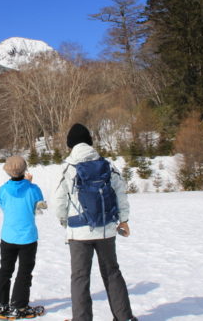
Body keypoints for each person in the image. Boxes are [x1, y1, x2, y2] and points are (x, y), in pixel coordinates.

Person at [53, 123, 137, 321]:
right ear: (90, 142)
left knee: (80, 277)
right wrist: (123, 220)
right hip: (106, 229)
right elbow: (120, 193)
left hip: (78, 232)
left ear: (70, 145)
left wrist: (64, 222)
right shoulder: (107, 165)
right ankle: (124, 317)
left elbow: (59, 201)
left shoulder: (68, 168)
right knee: (112, 272)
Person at [0, 155, 47, 319]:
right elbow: (39, 206)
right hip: (28, 238)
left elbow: (3, 206)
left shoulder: (3, 190)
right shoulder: (34, 189)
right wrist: (29, 184)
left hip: (8, 236)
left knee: (5, 270)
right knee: (24, 272)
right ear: (24, 170)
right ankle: (19, 306)